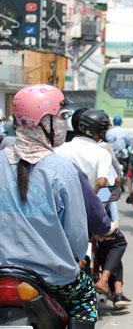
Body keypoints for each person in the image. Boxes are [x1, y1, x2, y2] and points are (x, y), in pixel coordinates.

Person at [0, 84, 96, 328]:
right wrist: (77, 259)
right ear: (43, 122)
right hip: (52, 278)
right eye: (62, 117)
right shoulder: (62, 170)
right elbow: (76, 236)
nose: (65, 124)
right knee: (87, 298)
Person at [56, 109, 131, 309]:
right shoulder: (101, 153)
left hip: (59, 214)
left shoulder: (60, 149)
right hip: (90, 214)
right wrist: (94, 199)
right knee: (116, 240)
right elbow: (104, 183)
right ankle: (106, 282)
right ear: (101, 132)